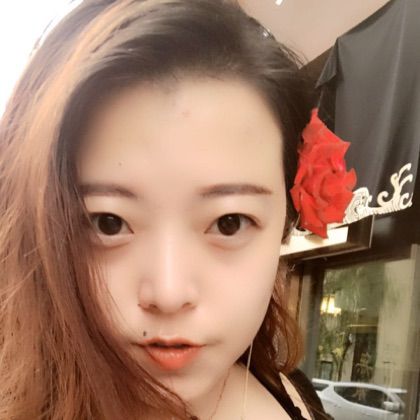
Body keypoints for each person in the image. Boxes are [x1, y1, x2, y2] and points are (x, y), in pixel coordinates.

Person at [0, 1, 330, 419]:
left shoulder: (291, 390)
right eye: (108, 223)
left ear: (285, 220)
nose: (169, 294)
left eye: (229, 223)